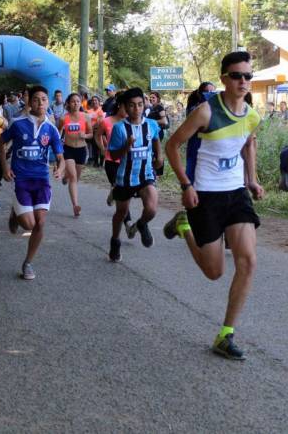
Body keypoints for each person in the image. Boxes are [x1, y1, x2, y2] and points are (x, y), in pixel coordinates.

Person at [163, 50, 263, 360]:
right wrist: (186, 184)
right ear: (224, 79)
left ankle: (226, 334)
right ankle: (184, 227)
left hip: (235, 194)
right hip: (204, 195)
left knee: (247, 260)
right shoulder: (206, 112)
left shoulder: (251, 115)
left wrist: (253, 179)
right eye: (236, 75)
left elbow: (248, 142)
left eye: (248, 76)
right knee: (214, 272)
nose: (243, 81)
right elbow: (173, 145)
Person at [0, 85, 65, 281]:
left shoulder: (51, 129)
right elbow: (1, 143)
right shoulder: (17, 124)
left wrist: (59, 169)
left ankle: (28, 263)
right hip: (22, 180)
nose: (40, 103)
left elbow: (60, 156)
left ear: (48, 102)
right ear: (29, 102)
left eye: (44, 99)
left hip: (42, 180)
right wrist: (4, 168)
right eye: (36, 99)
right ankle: (16, 212)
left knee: (40, 222)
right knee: (28, 224)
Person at [107, 88, 163, 261]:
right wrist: (126, 146)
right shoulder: (119, 129)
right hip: (125, 177)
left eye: (140, 104)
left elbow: (156, 141)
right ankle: (115, 241)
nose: (136, 109)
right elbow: (114, 155)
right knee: (121, 213)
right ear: (124, 107)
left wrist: (159, 157)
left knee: (152, 209)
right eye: (131, 105)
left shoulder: (151, 124)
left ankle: (140, 224)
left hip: (146, 175)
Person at [58, 93, 92, 217]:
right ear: (68, 103)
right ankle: (75, 205)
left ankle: (66, 176)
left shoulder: (86, 117)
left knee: (76, 178)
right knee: (73, 177)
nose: (76, 103)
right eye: (73, 101)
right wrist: (59, 142)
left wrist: (85, 136)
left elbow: (91, 134)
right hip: (68, 149)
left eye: (78, 101)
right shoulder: (63, 118)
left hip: (81, 150)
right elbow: (58, 132)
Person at [147, 91, 169, 176]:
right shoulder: (152, 108)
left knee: (157, 151)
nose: (151, 99)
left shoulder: (159, 107)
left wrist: (151, 122)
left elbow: (164, 121)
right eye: (150, 97)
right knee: (154, 151)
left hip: (158, 132)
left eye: (153, 97)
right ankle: (154, 171)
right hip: (152, 133)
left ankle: (158, 173)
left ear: (158, 99)